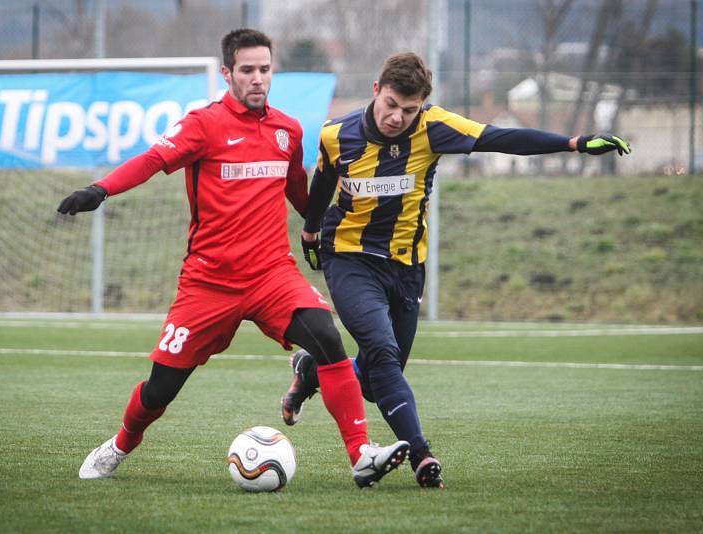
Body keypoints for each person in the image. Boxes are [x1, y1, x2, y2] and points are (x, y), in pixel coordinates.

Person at [57, 29, 409, 489]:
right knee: (161, 388)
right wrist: (100, 189)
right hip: (208, 284)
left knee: (326, 337)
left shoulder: (287, 130)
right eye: (247, 70)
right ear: (227, 73)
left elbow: (300, 195)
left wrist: (332, 226)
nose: (258, 79)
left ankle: (360, 454)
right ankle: (121, 443)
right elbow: (150, 161)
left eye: (265, 69)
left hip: (271, 275)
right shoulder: (202, 125)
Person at [281, 52, 631, 489]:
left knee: (376, 379)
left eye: (409, 110)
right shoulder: (338, 134)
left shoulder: (433, 127)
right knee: (384, 354)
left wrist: (574, 143)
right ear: (376, 90)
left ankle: (312, 372)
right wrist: (311, 232)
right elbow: (325, 181)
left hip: (407, 268)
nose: (397, 117)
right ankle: (422, 457)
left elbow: (500, 137)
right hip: (349, 259)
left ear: (422, 105)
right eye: (391, 104)